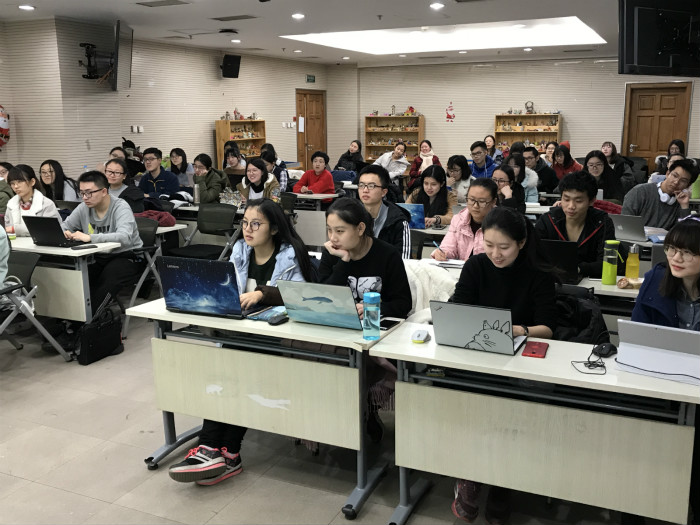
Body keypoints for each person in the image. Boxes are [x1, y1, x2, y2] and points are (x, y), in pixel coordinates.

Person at [168, 198, 317, 486]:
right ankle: (220, 452)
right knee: (228, 375)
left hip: (278, 340)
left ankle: (217, 449)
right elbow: (226, 288)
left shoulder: (290, 255)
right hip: (239, 335)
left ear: (274, 228)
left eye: (256, 224)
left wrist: (263, 293)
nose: (248, 229)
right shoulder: (239, 250)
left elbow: (300, 295)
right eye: (245, 223)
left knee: (236, 375)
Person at [451, 206, 558, 524]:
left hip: (519, 356)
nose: (495, 254)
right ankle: (471, 471)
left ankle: (499, 483)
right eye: (489, 245)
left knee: (511, 407)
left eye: (504, 247)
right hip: (478, 352)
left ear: (521, 243)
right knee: (458, 395)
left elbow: (548, 328)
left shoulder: (537, 273)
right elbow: (458, 308)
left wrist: (518, 330)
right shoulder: (476, 265)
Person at [320, 198, 412, 442]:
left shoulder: (387, 254)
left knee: (361, 365)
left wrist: (375, 308)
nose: (333, 238)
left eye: (340, 231)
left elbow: (403, 303)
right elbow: (322, 297)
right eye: (329, 230)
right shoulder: (332, 253)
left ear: (360, 228)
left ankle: (366, 411)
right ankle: (327, 419)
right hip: (339, 329)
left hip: (376, 333)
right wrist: (343, 262)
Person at [630, 216, 700, 525]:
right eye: (671, 249)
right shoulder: (656, 280)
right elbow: (637, 336)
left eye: (687, 252)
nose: (676, 258)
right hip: (660, 384)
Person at [62, 171, 144, 312]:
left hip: (127, 255)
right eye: (82, 193)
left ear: (104, 191)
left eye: (89, 193)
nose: (85, 198)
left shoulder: (120, 206)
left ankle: (89, 320)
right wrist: (65, 233)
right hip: (98, 255)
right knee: (76, 277)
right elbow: (65, 226)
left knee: (108, 279)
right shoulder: (83, 207)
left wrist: (90, 238)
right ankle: (70, 317)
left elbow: (124, 237)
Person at [536, 171, 619, 278]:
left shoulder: (602, 222)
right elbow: (534, 254)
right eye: (566, 199)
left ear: (591, 201)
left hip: (591, 282)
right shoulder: (548, 220)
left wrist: (578, 268)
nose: (571, 206)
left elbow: (607, 262)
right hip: (552, 280)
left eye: (578, 201)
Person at [431, 178, 498, 261]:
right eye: (472, 200)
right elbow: (448, 246)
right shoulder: (458, 219)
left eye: (482, 201)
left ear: (493, 202)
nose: (475, 206)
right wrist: (442, 253)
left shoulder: (501, 223)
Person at [622, 158, 698, 230]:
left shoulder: (680, 202)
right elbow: (625, 224)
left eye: (683, 181)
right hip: (635, 238)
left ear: (688, 185)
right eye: (675, 176)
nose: (676, 182)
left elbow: (683, 233)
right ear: (667, 173)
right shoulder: (640, 191)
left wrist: (684, 207)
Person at [356, 165, 410, 259]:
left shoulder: (398, 221)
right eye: (361, 185)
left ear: (384, 192)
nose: (365, 190)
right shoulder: (351, 216)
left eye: (371, 186)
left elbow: (403, 261)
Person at [5, 165, 61, 237]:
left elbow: (50, 230)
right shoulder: (11, 204)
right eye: (12, 183)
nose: (16, 186)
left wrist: (15, 229)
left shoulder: (46, 204)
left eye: (20, 181)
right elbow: (8, 230)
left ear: (32, 182)